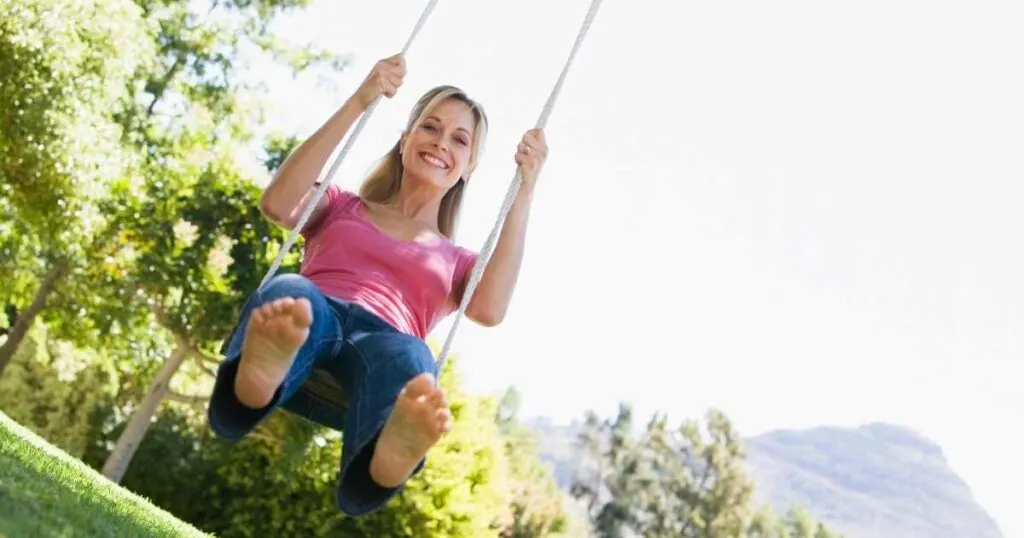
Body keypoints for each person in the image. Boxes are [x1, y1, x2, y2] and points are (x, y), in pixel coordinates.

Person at [206, 53, 547, 516]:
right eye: (430, 127)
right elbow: (279, 201)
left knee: (412, 359)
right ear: (405, 139)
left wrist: (525, 188)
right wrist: (360, 99)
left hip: (388, 342)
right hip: (316, 312)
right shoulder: (343, 205)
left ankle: (388, 456)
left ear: (469, 167)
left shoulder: (457, 261)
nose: (441, 142)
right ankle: (260, 375)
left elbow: (490, 309)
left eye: (459, 139)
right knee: (294, 295)